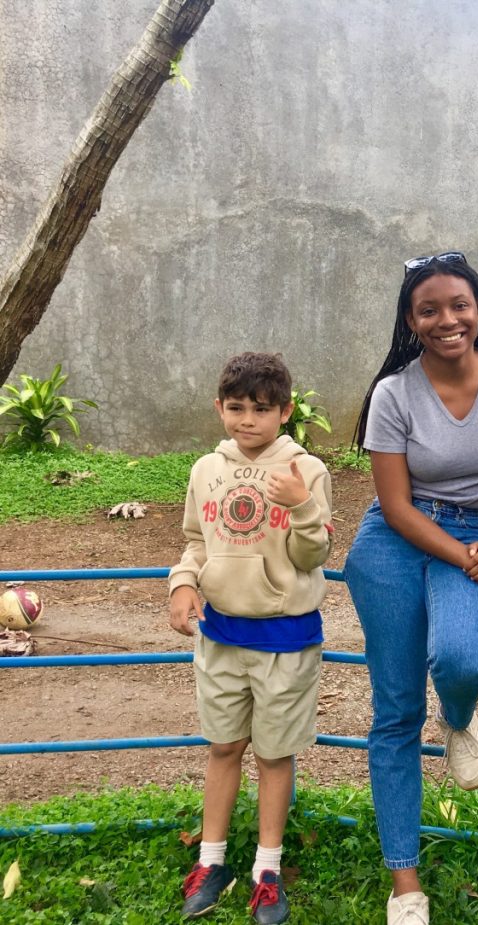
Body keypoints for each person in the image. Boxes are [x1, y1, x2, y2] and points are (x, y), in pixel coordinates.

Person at [343, 251, 478, 925]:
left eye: (459, 304)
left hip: (475, 536)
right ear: (410, 319)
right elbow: (395, 507)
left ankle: (458, 718)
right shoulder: (393, 393)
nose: (447, 319)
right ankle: (405, 885)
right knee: (395, 713)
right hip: (394, 544)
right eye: (429, 309)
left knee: (463, 660)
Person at [168, 352, 334, 924]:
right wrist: (184, 584)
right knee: (222, 746)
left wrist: (302, 508)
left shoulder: (306, 471)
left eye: (261, 409)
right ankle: (211, 861)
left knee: (273, 753)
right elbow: (195, 540)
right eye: (236, 408)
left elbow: (315, 556)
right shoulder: (204, 471)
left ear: (285, 412)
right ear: (220, 408)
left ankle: (267, 867)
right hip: (219, 636)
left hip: (285, 640)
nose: (247, 420)